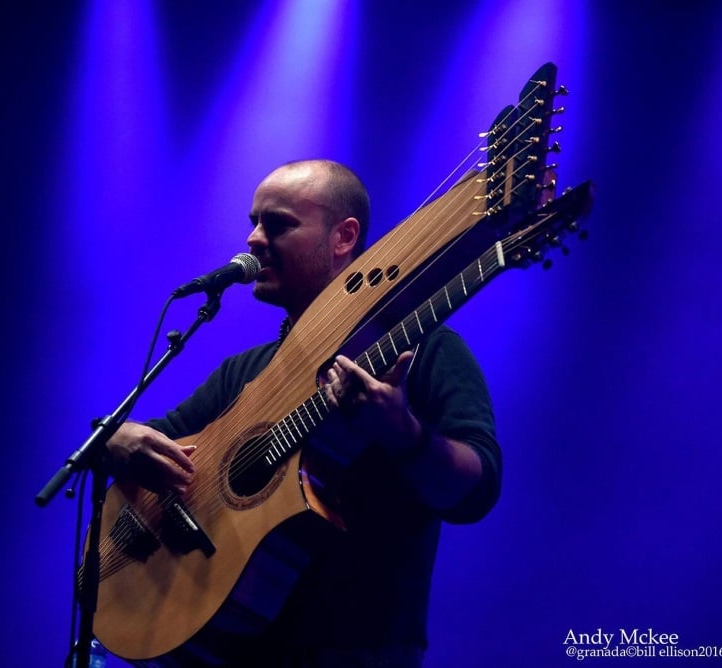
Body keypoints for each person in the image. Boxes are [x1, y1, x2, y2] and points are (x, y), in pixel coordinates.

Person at [106, 159, 501, 667]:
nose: (253, 239)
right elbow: (155, 443)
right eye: (254, 222)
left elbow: (476, 493)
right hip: (225, 654)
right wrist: (118, 438)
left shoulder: (423, 349)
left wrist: (401, 431)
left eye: (277, 224)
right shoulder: (244, 372)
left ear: (343, 238)